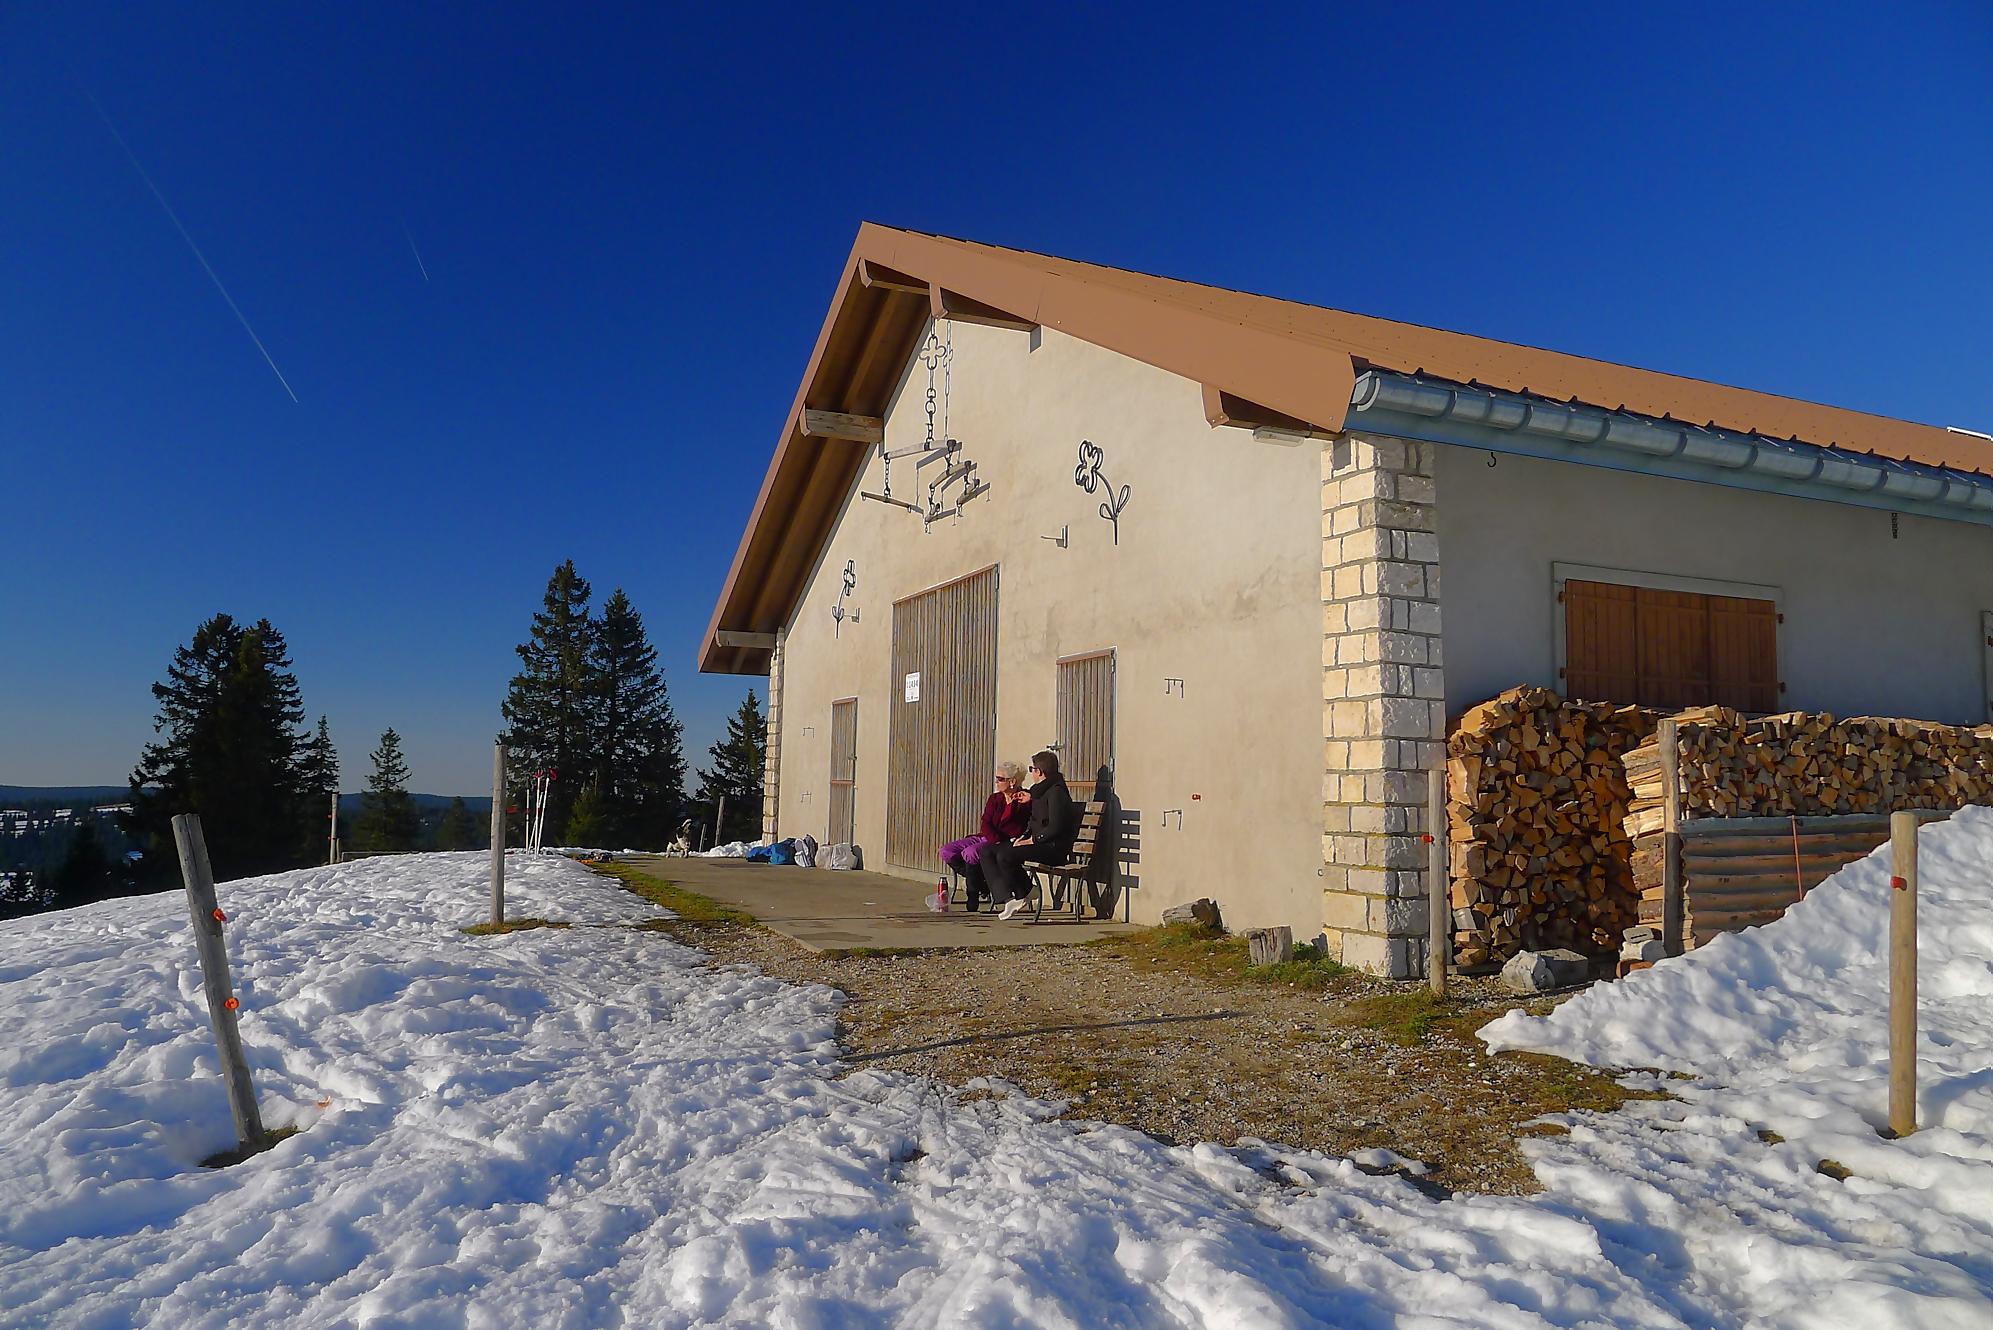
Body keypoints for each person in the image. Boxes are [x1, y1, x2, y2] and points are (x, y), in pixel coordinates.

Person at [983, 750, 1079, 920]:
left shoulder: (1056, 793)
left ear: (1039, 772)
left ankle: (1024, 892)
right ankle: (1008, 898)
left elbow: (1055, 828)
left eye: (1032, 769)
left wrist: (1032, 840)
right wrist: (1024, 837)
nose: (1031, 773)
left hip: (1053, 848)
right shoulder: (1040, 792)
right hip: (1039, 844)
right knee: (987, 851)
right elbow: (1033, 822)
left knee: (1006, 855)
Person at [939, 761, 1030, 909]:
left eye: (1000, 779)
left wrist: (998, 841)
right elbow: (985, 822)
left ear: (1012, 781)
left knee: (971, 853)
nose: (997, 782)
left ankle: (973, 895)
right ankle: (982, 884)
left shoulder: (1023, 800)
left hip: (1005, 841)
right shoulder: (995, 798)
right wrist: (993, 838)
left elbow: (1019, 825)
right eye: (997, 778)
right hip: (987, 836)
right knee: (946, 851)